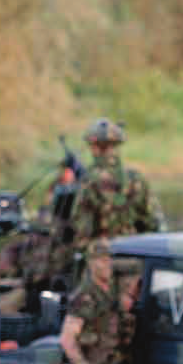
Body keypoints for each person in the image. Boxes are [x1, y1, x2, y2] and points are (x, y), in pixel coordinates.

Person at [49, 117, 163, 290]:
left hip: (100, 265)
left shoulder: (89, 181)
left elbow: (82, 230)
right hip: (134, 259)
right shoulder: (136, 178)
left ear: (94, 148)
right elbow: (153, 223)